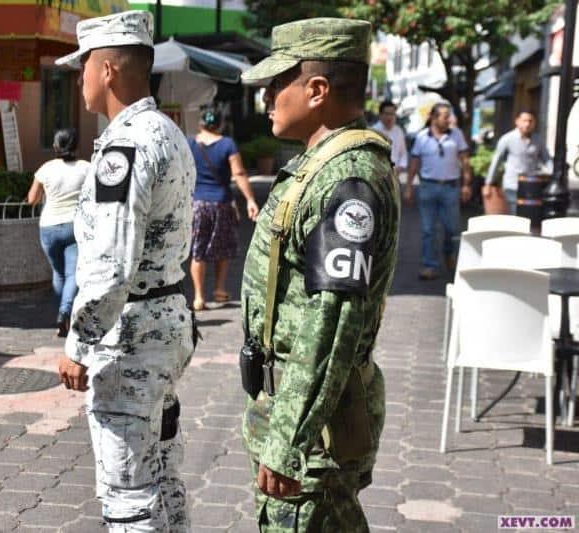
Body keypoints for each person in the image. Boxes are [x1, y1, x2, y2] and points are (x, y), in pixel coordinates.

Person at [239, 17, 400, 531]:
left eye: (275, 84)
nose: (266, 98)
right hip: (298, 413)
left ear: (316, 90)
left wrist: (289, 441)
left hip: (314, 431)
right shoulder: (321, 165)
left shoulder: (347, 178)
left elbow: (330, 321)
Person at [54, 10, 196, 531]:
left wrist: (78, 344)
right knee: (163, 472)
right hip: (168, 321)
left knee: (127, 495)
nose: (80, 77)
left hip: (131, 338)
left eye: (84, 65)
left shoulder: (125, 145)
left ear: (108, 69)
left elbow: (111, 266)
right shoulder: (168, 133)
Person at [188, 108, 259, 311]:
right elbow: (239, 172)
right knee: (223, 246)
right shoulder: (228, 144)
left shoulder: (189, 143)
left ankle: (199, 298)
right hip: (222, 203)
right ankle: (219, 290)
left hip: (197, 204)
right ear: (220, 124)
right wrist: (250, 200)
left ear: (200, 123)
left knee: (198, 250)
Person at [26, 128, 90, 337]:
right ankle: (65, 313)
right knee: (73, 274)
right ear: (76, 145)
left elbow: (32, 199)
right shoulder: (86, 168)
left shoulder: (45, 169)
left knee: (59, 273)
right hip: (74, 226)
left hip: (48, 227)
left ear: (55, 146)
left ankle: (62, 312)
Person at [404, 103, 473, 280]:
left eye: (449, 116)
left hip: (451, 187)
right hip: (428, 187)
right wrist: (409, 186)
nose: (448, 119)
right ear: (433, 118)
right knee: (428, 229)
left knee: (451, 228)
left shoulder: (456, 135)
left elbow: (465, 160)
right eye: (444, 116)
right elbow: (414, 163)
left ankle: (448, 253)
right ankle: (429, 265)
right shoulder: (421, 137)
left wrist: (466, 184)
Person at [484, 110, 552, 214]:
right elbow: (496, 161)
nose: (527, 124)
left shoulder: (538, 140)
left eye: (530, 121)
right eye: (525, 120)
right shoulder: (507, 138)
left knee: (529, 215)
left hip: (531, 184)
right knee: (515, 213)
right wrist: (488, 183)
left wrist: (552, 173)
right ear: (517, 121)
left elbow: (547, 159)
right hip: (513, 184)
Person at [372, 100, 408, 176]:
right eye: (387, 114)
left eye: (392, 114)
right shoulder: (373, 132)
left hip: (395, 174)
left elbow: (403, 153)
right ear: (380, 115)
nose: (390, 117)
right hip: (378, 175)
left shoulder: (399, 131)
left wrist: (400, 167)